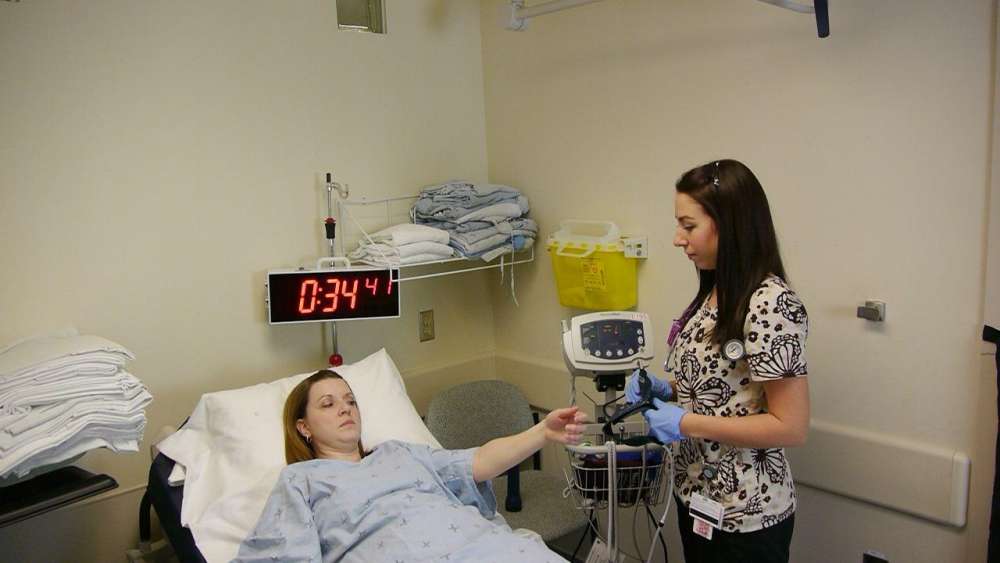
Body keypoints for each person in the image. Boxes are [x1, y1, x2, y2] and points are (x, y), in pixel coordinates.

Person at [626, 159, 809, 563]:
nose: (677, 239)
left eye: (688, 226)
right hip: (696, 495)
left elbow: (791, 426)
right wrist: (665, 387)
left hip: (746, 512)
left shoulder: (771, 303)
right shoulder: (713, 294)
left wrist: (684, 423)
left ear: (731, 225)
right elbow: (730, 385)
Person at [233, 369, 588, 563]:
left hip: (489, 550)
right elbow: (284, 554)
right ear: (304, 427)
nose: (345, 409)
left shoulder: (399, 453)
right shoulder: (301, 480)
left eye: (351, 400)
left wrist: (541, 432)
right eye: (328, 404)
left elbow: (476, 462)